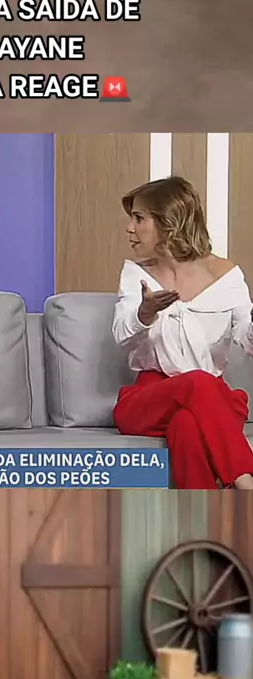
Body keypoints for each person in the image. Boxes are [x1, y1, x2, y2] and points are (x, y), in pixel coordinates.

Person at [111, 175, 253, 491]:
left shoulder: (227, 276)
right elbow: (122, 335)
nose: (129, 228)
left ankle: (204, 519)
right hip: (150, 398)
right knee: (198, 383)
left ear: (169, 223)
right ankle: (246, 481)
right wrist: (145, 313)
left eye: (139, 218)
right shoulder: (136, 274)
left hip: (212, 400)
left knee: (187, 425)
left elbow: (247, 338)